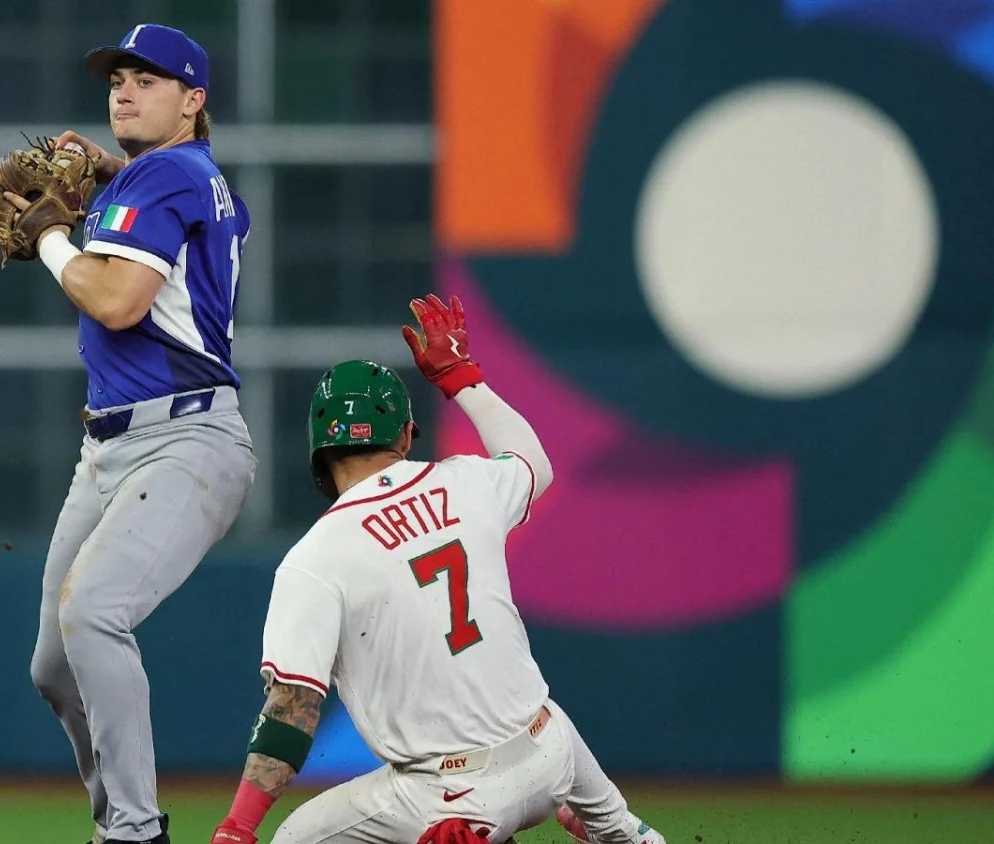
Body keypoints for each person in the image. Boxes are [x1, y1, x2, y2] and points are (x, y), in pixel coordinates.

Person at [208, 295, 667, 844]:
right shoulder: (466, 483)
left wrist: (238, 826)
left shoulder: (314, 558)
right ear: (404, 436)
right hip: (552, 749)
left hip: (447, 795)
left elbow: (293, 710)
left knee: (292, 840)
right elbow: (534, 464)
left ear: (319, 453)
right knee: (626, 835)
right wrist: (461, 377)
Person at [0, 23, 255, 844]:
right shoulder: (181, 176)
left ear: (194, 100)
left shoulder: (171, 172)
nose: (125, 90)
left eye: (149, 79)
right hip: (110, 446)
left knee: (95, 613)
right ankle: (120, 825)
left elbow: (115, 303)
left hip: (185, 439)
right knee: (53, 666)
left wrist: (48, 236)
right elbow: (228, 213)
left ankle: (135, 833)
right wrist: (112, 175)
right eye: (118, 80)